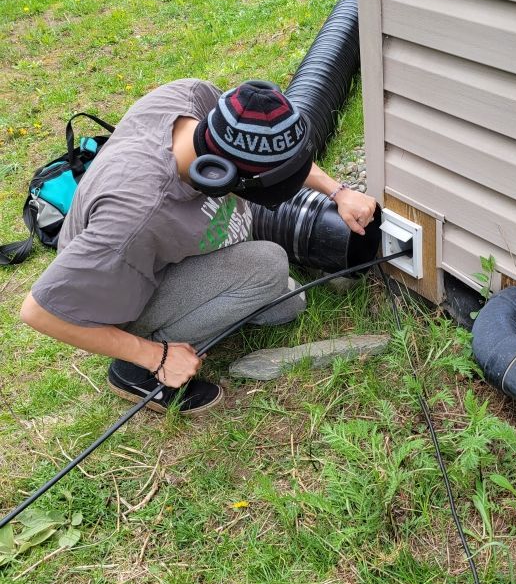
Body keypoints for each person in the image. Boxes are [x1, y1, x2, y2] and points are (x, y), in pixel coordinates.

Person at [19, 78, 377, 414]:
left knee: (285, 305)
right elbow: (40, 312)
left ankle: (230, 297)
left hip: (162, 253)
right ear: (216, 174)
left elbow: (267, 151)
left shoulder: (197, 98)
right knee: (268, 264)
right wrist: (153, 355)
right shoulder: (135, 218)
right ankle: (133, 371)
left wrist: (338, 191)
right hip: (117, 289)